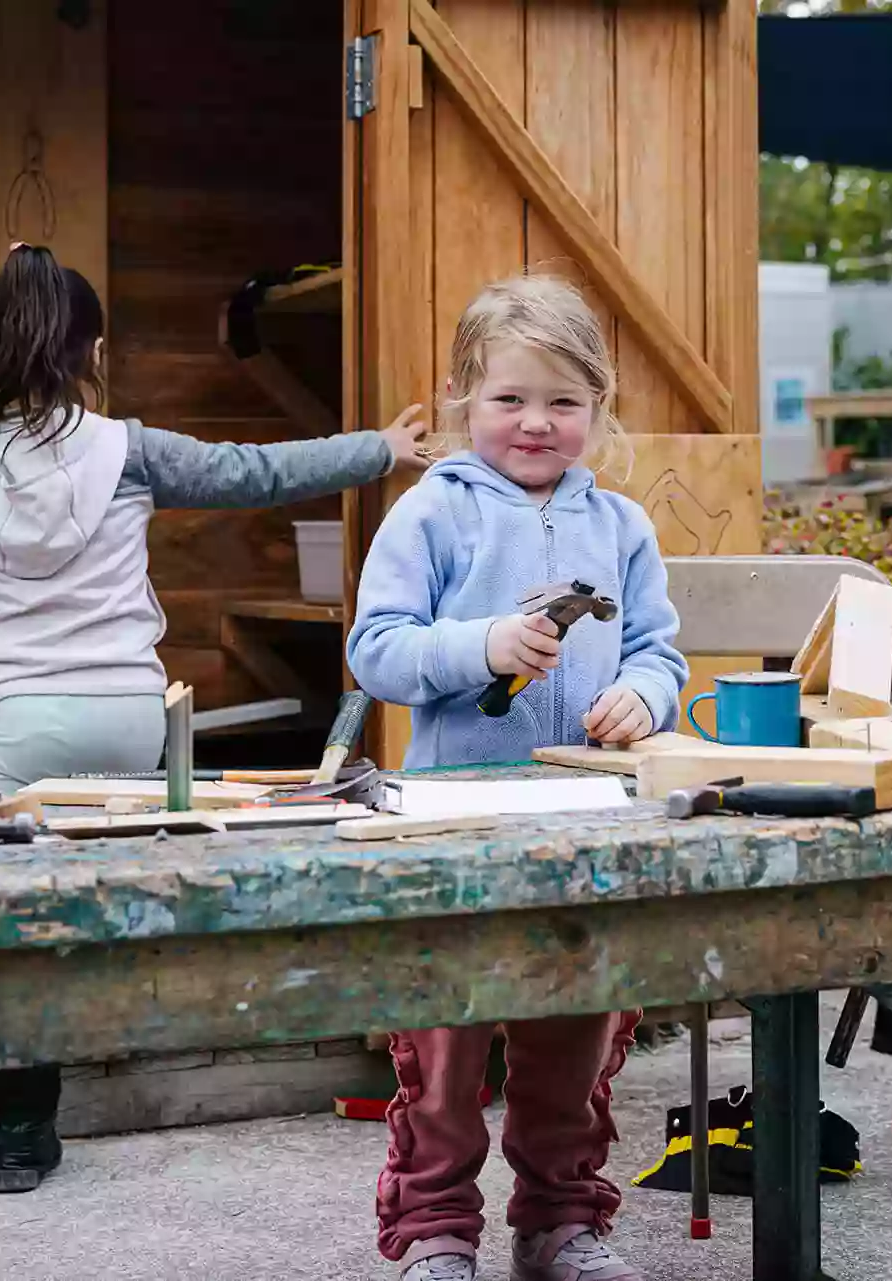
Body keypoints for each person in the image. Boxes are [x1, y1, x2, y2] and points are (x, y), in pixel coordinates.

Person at [0, 243, 428, 1193]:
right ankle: (169, 1058)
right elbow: (254, 473)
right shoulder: (129, 450)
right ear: (92, 348)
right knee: (126, 893)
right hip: (135, 722)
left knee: (14, 933)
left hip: (21, 731)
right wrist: (378, 449)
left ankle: (23, 1133)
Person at [346, 273, 686, 1280]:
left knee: (575, 1036)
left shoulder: (621, 528)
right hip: (452, 823)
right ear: (463, 401)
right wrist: (482, 648)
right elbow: (378, 650)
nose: (536, 423)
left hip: (590, 821)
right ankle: (436, 1234)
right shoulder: (429, 516)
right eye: (510, 399)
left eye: (564, 402)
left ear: (598, 409)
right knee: (443, 1049)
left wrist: (645, 697)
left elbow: (660, 652)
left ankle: (561, 1224)